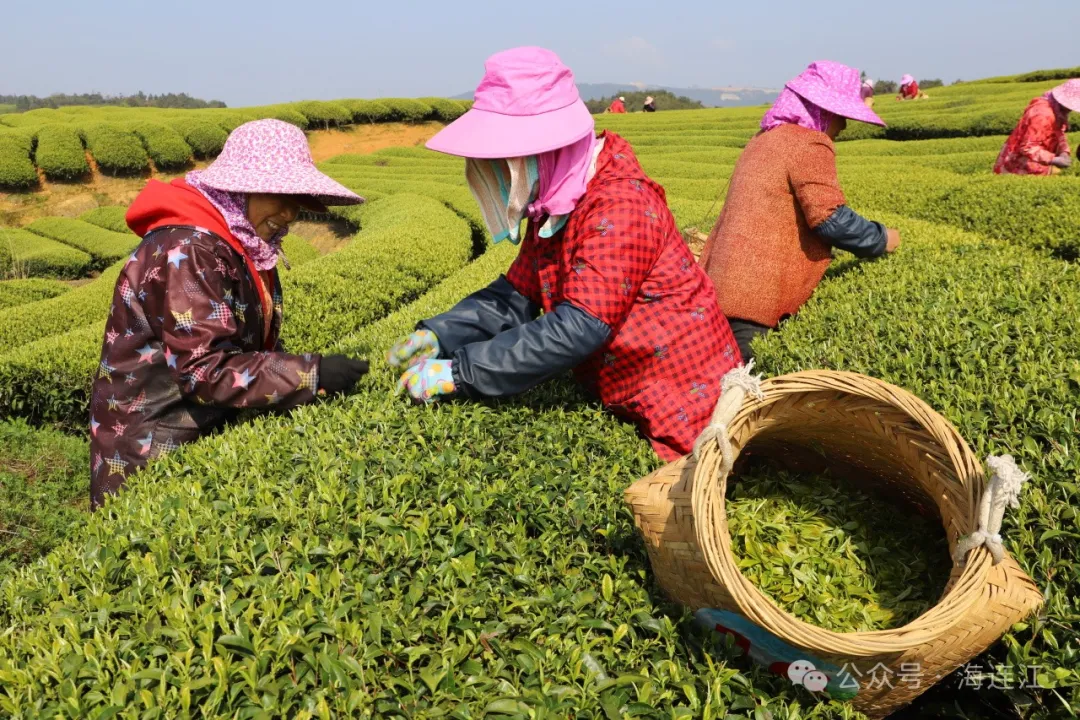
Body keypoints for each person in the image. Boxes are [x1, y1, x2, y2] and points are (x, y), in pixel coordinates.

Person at [388, 46, 742, 462]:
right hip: (622, 388)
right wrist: (440, 334)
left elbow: (580, 326)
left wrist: (459, 373)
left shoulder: (620, 203)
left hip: (682, 403)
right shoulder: (558, 202)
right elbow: (516, 294)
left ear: (548, 148)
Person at [89, 119, 369, 509]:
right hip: (151, 450)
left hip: (195, 436)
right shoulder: (188, 251)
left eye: (297, 200)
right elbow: (204, 369)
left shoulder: (236, 245)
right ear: (239, 189)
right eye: (279, 196)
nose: (290, 213)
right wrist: (311, 373)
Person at [699, 61, 901, 362]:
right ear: (822, 111)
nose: (843, 127)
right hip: (757, 297)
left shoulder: (763, 139)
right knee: (747, 397)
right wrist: (882, 238)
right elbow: (830, 219)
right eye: (840, 116)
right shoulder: (809, 142)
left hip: (720, 287)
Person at [994, 80, 1079, 176]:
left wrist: (1064, 151)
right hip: (1019, 166)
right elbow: (1028, 147)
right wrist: (1053, 159)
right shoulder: (1041, 115)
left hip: (1037, 163)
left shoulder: (1057, 111)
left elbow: (1058, 132)